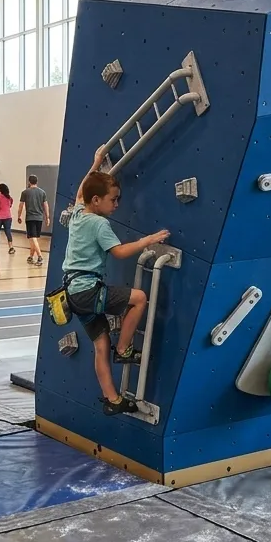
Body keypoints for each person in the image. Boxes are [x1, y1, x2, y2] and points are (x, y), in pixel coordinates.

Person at [62, 147, 169, 415]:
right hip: (88, 291)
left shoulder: (78, 213)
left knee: (100, 346)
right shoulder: (99, 224)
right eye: (114, 200)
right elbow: (119, 252)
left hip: (73, 294)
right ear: (96, 200)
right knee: (139, 298)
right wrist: (148, 240)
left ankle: (112, 399)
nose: (117, 205)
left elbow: (80, 191)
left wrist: (97, 162)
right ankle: (123, 348)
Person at [18, 175, 50, 267]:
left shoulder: (25, 192)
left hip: (30, 218)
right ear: (37, 182)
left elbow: (21, 205)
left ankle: (40, 256)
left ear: (29, 182)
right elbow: (46, 205)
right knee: (34, 238)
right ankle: (31, 257)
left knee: (33, 238)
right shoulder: (42, 192)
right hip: (39, 218)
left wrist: (19, 216)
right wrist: (47, 217)